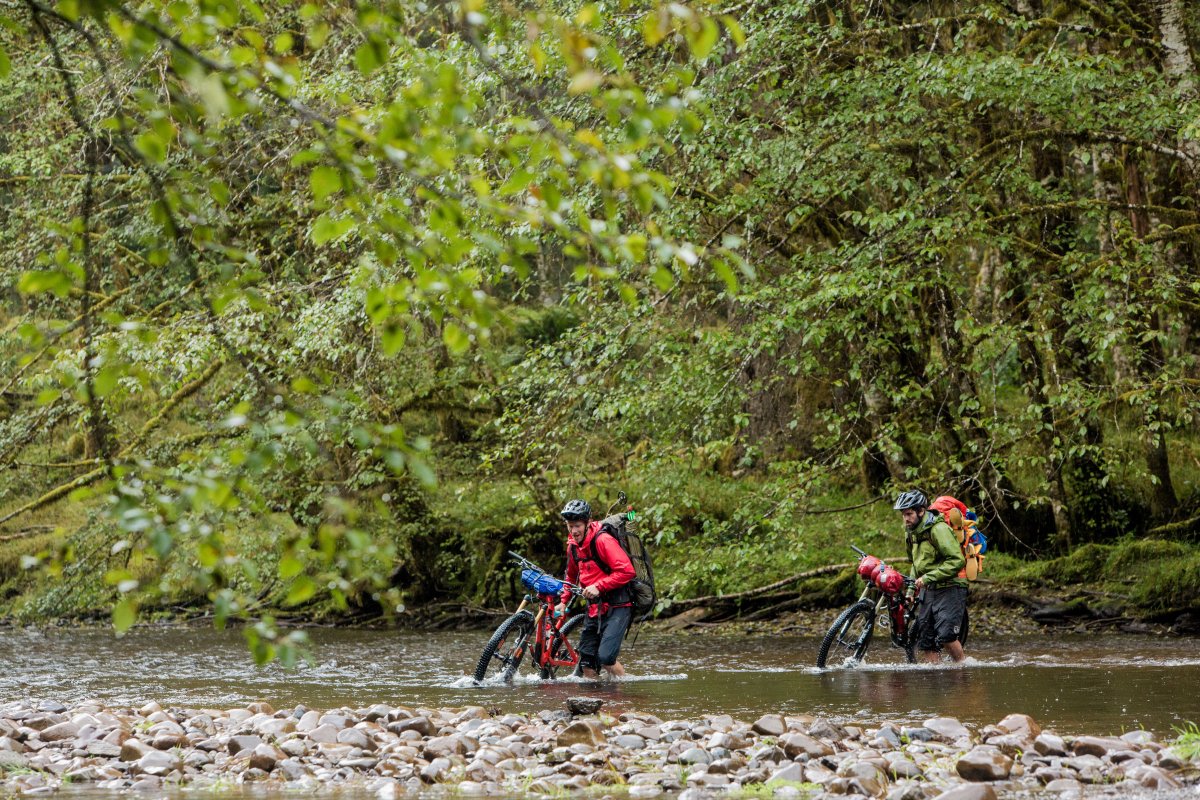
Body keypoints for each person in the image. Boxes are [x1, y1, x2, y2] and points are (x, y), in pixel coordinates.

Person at [554, 499, 635, 679]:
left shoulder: (603, 540)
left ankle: (624, 699)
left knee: (606, 658)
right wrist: (563, 601)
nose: (573, 531)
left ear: (588, 523)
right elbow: (570, 576)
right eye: (569, 526)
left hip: (619, 606)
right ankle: (595, 703)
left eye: (577, 525)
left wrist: (599, 586)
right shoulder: (573, 547)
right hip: (594, 608)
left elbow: (627, 571)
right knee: (587, 665)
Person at [894, 489, 968, 663]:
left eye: (909, 514)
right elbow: (915, 564)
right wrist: (911, 589)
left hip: (952, 587)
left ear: (921, 511)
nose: (906, 519)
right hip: (929, 589)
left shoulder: (939, 529)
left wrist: (928, 578)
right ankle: (935, 681)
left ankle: (963, 672)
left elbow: (957, 561)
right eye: (903, 515)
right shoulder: (911, 533)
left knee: (947, 636)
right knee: (926, 642)